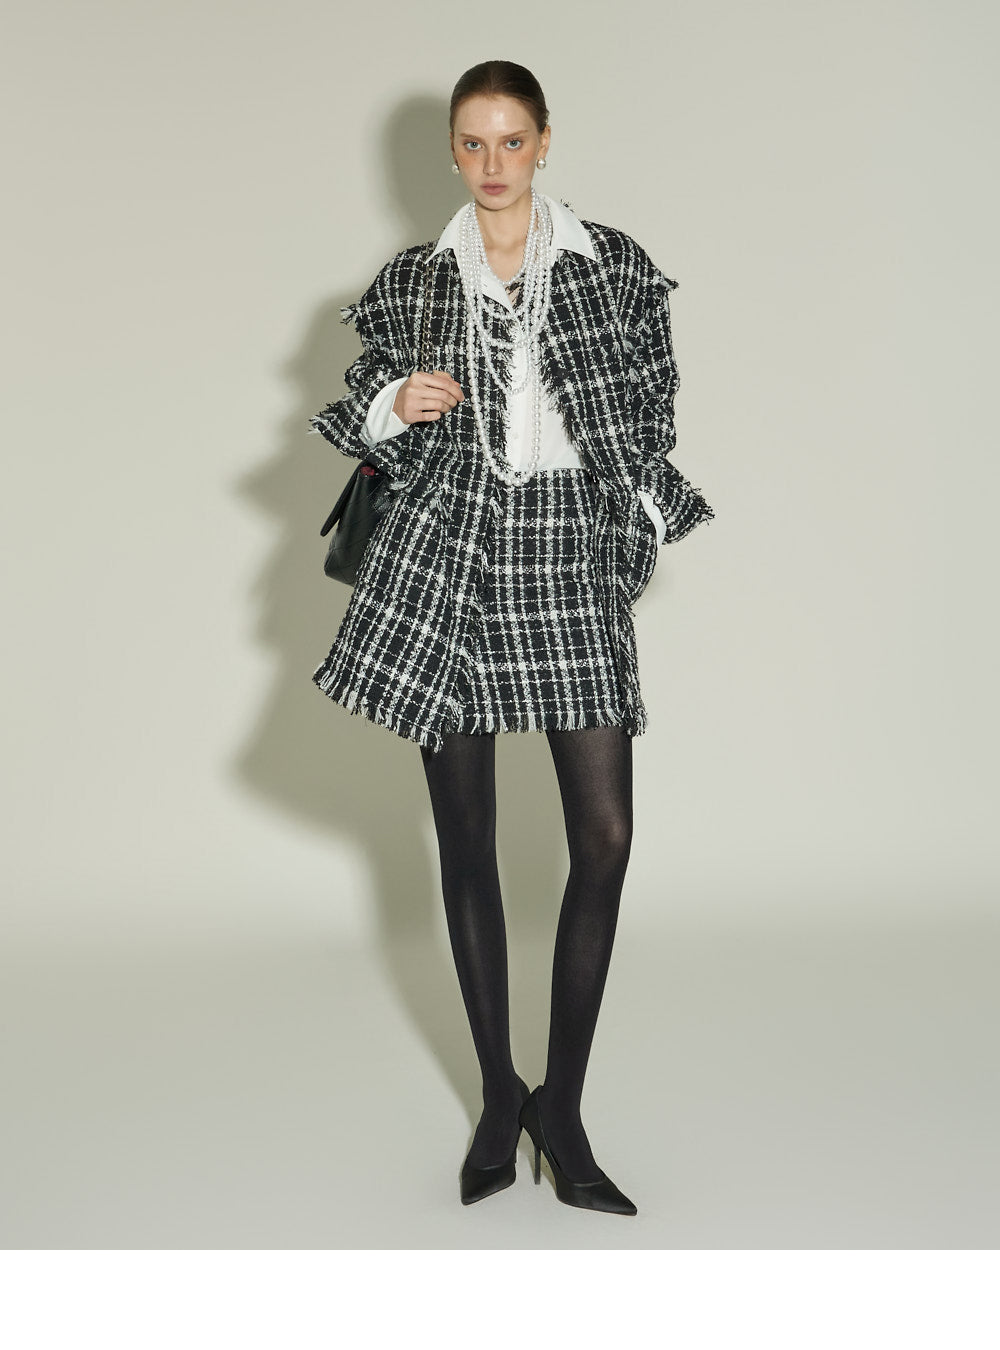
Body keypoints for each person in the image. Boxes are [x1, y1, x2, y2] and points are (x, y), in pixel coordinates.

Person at [307, 60, 714, 1214]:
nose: (492, 164)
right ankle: (499, 1094)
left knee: (605, 835)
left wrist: (625, 527)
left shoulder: (609, 265)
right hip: (453, 555)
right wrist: (395, 403)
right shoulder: (414, 279)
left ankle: (561, 1108)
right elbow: (358, 410)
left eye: (512, 141)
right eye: (473, 143)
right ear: (452, 150)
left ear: (544, 142)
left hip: (566, 555)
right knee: (467, 839)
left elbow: (652, 412)